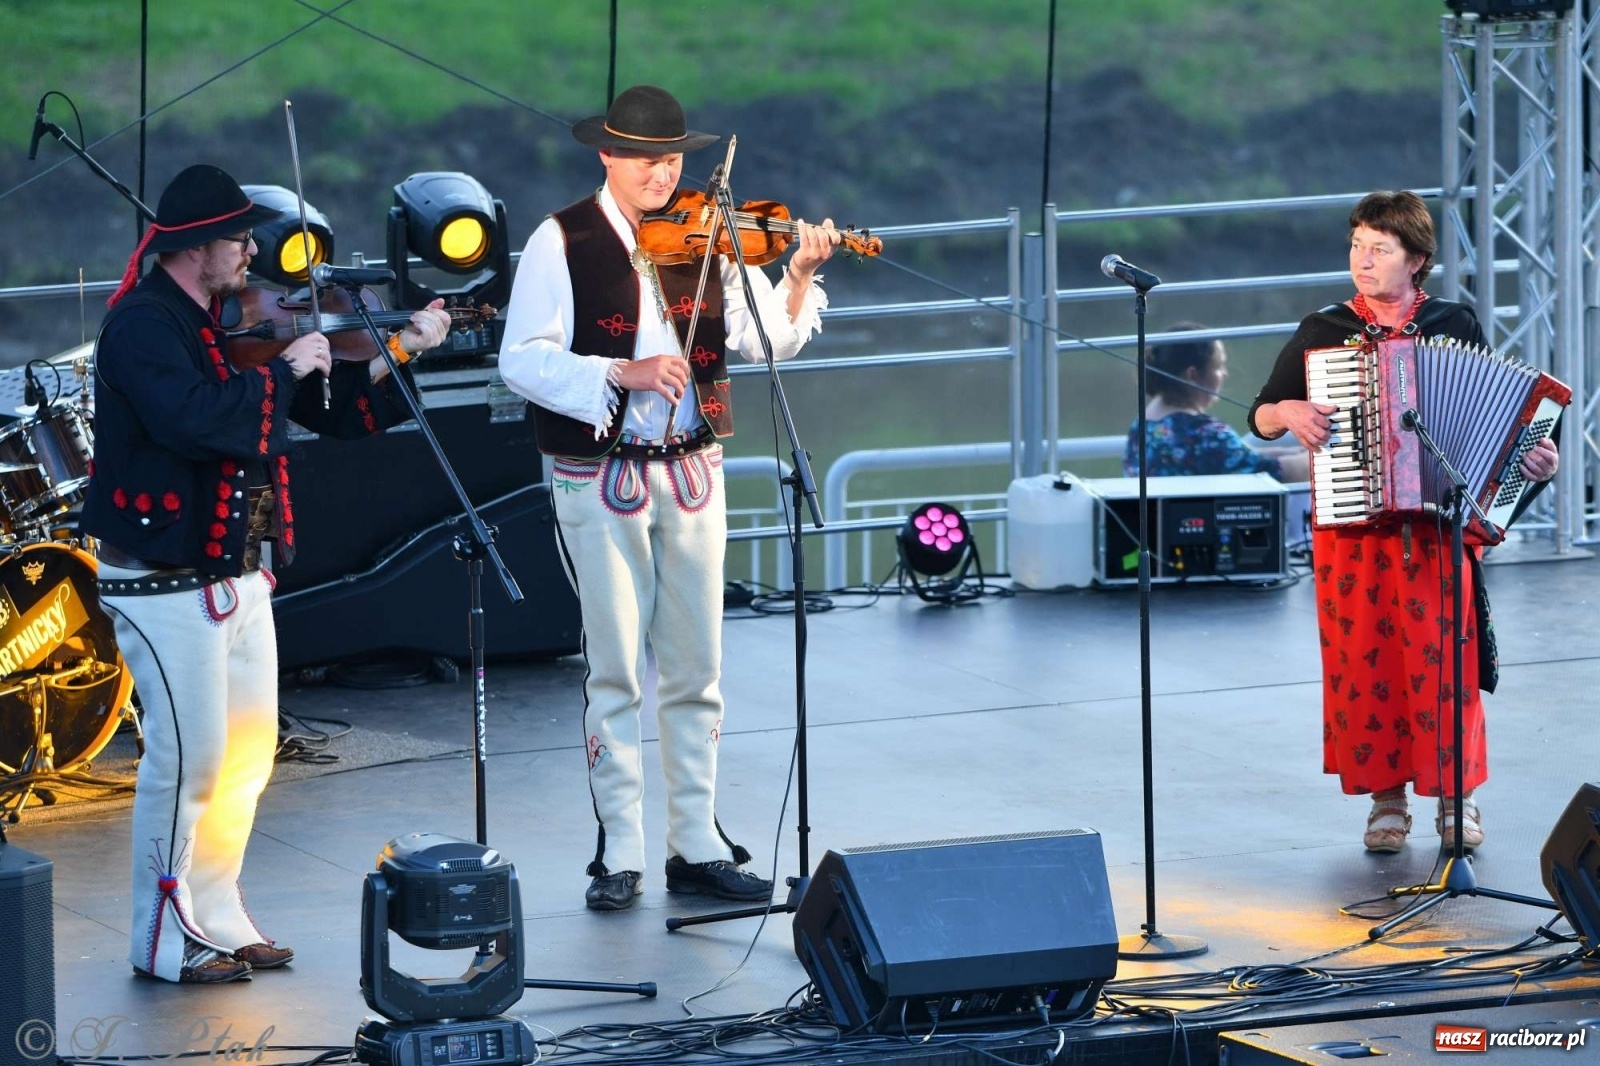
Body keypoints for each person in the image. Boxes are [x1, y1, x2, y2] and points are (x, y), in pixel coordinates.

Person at [80, 164, 450, 983]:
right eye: (240, 241)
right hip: (162, 575)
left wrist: (397, 347)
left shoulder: (222, 326)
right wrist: (283, 371)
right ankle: (162, 933)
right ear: (197, 248)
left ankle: (216, 910)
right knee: (188, 758)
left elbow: (331, 413)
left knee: (246, 754)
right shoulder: (143, 327)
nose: (254, 254)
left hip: (240, 568)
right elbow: (197, 420)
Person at [498, 85, 837, 911]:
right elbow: (521, 359)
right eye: (647, 159)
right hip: (601, 475)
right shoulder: (561, 239)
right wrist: (621, 371)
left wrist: (794, 274)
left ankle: (697, 845)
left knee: (697, 669)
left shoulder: (709, 235)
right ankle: (620, 850)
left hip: (691, 471)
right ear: (607, 156)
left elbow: (765, 339)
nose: (663, 173)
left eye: (673, 159)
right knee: (614, 669)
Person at [1248, 190, 1558, 855]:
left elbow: (1495, 424)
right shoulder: (1323, 330)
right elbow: (1261, 412)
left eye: (1379, 249)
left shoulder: (1453, 323)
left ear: (1416, 260)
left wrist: (1531, 460)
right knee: (1367, 666)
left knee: (1447, 664)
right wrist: (1292, 415)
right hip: (1353, 533)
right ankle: (1385, 803)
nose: (1363, 260)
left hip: (1434, 529)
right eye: (1357, 245)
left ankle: (1456, 799)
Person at [1123, 323, 1309, 481]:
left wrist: (1297, 453)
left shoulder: (1142, 426)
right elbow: (1275, 472)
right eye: (1218, 366)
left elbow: (1245, 458)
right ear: (1192, 375)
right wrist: (1330, 457)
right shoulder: (1203, 434)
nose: (1225, 373)